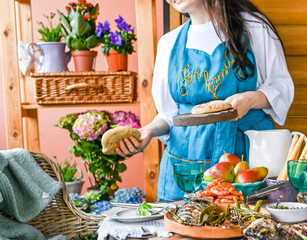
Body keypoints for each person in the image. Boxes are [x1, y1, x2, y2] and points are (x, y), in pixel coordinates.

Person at [116, 0, 294, 201]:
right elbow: (170, 114)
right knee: (184, 226)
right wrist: (148, 131)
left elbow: (281, 88)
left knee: (248, 225)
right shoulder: (169, 43)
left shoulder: (254, 27)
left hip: (243, 158)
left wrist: (250, 100)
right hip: (187, 161)